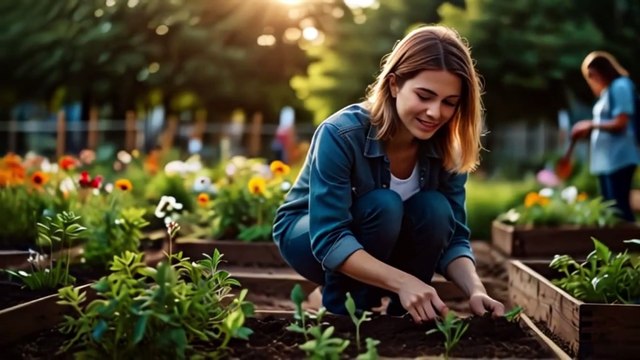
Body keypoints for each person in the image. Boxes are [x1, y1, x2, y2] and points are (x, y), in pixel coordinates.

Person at [272, 25, 504, 323]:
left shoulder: (448, 149)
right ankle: (342, 308)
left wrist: (476, 289)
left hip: (381, 243)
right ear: (394, 85)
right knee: (383, 205)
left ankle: (406, 314)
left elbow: (454, 236)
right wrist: (404, 281)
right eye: (424, 95)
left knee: (435, 209)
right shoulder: (341, 134)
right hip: (310, 239)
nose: (435, 112)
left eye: (449, 102)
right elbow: (329, 236)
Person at [570, 51, 639, 222]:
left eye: (591, 75)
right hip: (607, 160)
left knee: (619, 209)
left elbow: (621, 122)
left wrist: (591, 124)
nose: (592, 80)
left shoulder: (620, 86)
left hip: (619, 158)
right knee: (610, 209)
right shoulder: (608, 91)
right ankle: (618, 246)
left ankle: (627, 245)